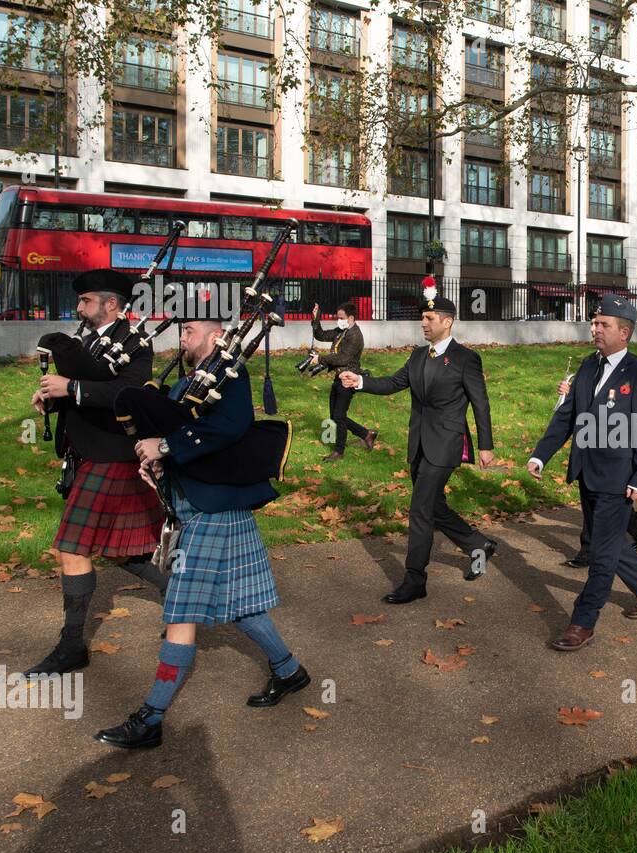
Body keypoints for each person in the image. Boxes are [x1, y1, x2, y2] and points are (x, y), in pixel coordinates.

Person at [94, 318, 308, 749]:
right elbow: (174, 430)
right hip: (201, 506)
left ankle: (151, 718)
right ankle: (289, 671)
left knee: (180, 611)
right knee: (242, 605)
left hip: (213, 508)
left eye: (190, 330)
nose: (182, 337)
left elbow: (230, 427)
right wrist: (154, 459)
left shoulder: (230, 374)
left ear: (214, 337)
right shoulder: (186, 384)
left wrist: (168, 448)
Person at [24, 269, 167, 678]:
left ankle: (71, 647)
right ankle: (184, 597)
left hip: (112, 454)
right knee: (124, 551)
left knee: (73, 546)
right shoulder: (87, 339)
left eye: (86, 301)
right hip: (86, 454)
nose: (79, 307)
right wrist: (51, 397)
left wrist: (70, 388)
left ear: (110, 303)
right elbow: (78, 387)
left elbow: (127, 393)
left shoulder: (135, 343)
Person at [340, 287, 497, 602]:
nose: (423, 323)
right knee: (434, 507)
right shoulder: (417, 355)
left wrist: (486, 445)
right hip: (419, 444)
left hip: (446, 445)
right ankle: (477, 544)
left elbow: (481, 404)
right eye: (422, 318)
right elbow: (393, 383)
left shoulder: (466, 359)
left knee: (421, 510)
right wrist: (359, 382)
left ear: (447, 322)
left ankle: (415, 581)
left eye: (429, 318)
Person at [528, 294, 637, 651]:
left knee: (601, 555)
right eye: (594, 323)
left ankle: (581, 622)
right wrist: (541, 456)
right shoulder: (588, 366)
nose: (595, 329)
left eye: (603, 325)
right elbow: (566, 417)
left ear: (625, 332)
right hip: (586, 472)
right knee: (609, 540)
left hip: (620, 478)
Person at [556, 368, 637, 565]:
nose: (595, 334)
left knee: (605, 506)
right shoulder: (590, 365)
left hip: (614, 448)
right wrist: (568, 393)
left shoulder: (632, 371)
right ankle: (592, 548)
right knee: (594, 503)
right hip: (588, 447)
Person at [310, 301, 376, 461]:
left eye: (341, 317)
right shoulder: (342, 331)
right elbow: (320, 335)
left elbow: (343, 357)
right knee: (335, 416)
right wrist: (315, 318)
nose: (338, 320)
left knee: (339, 416)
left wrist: (320, 359)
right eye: (337, 317)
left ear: (351, 318)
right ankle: (366, 434)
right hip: (339, 378)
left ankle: (339, 452)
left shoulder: (355, 335)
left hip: (349, 379)